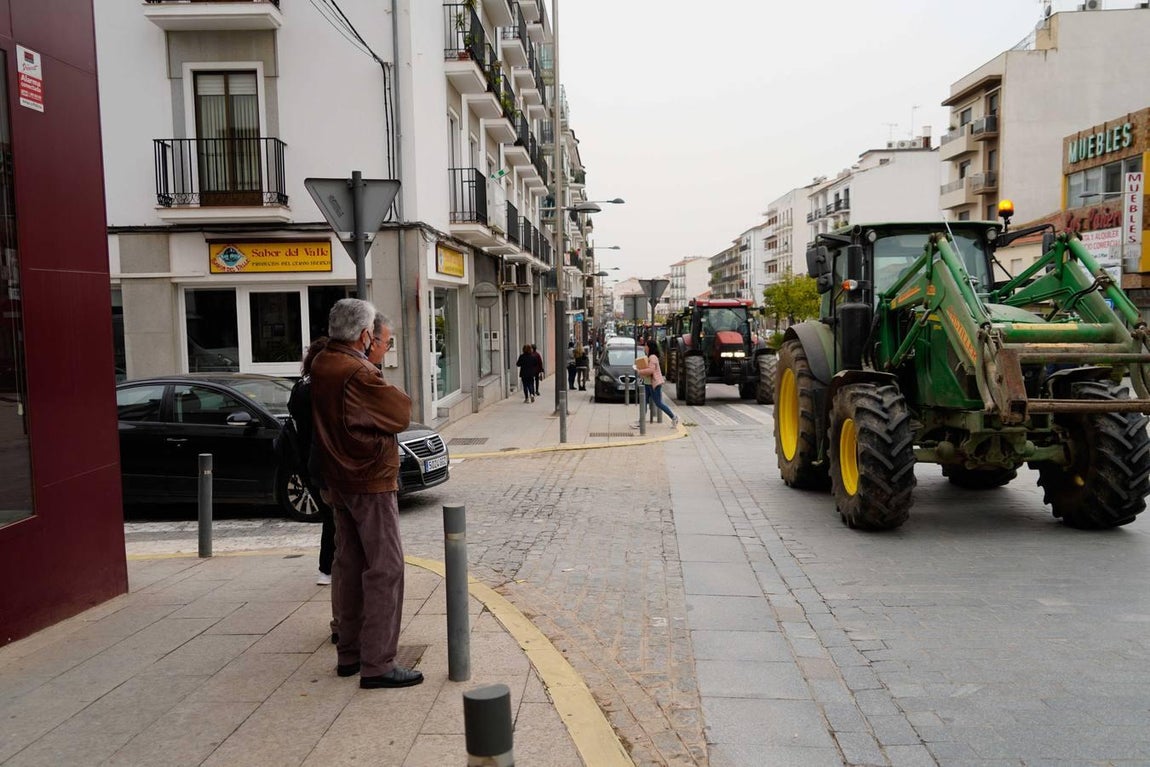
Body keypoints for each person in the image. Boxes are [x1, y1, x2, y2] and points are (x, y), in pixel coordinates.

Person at [310, 298, 423, 689]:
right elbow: (400, 412)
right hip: (367, 477)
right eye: (376, 337)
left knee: (351, 563)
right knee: (386, 567)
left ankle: (351, 654)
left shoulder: (322, 362)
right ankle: (378, 663)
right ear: (363, 335)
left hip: (339, 477)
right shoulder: (357, 371)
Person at [635, 338, 680, 427]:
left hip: (654, 384)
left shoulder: (653, 357)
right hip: (647, 384)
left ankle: (674, 417)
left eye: (646, 345)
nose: (644, 347)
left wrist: (639, 371)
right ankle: (641, 422)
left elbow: (651, 370)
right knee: (643, 402)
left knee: (658, 403)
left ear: (649, 347)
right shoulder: (649, 357)